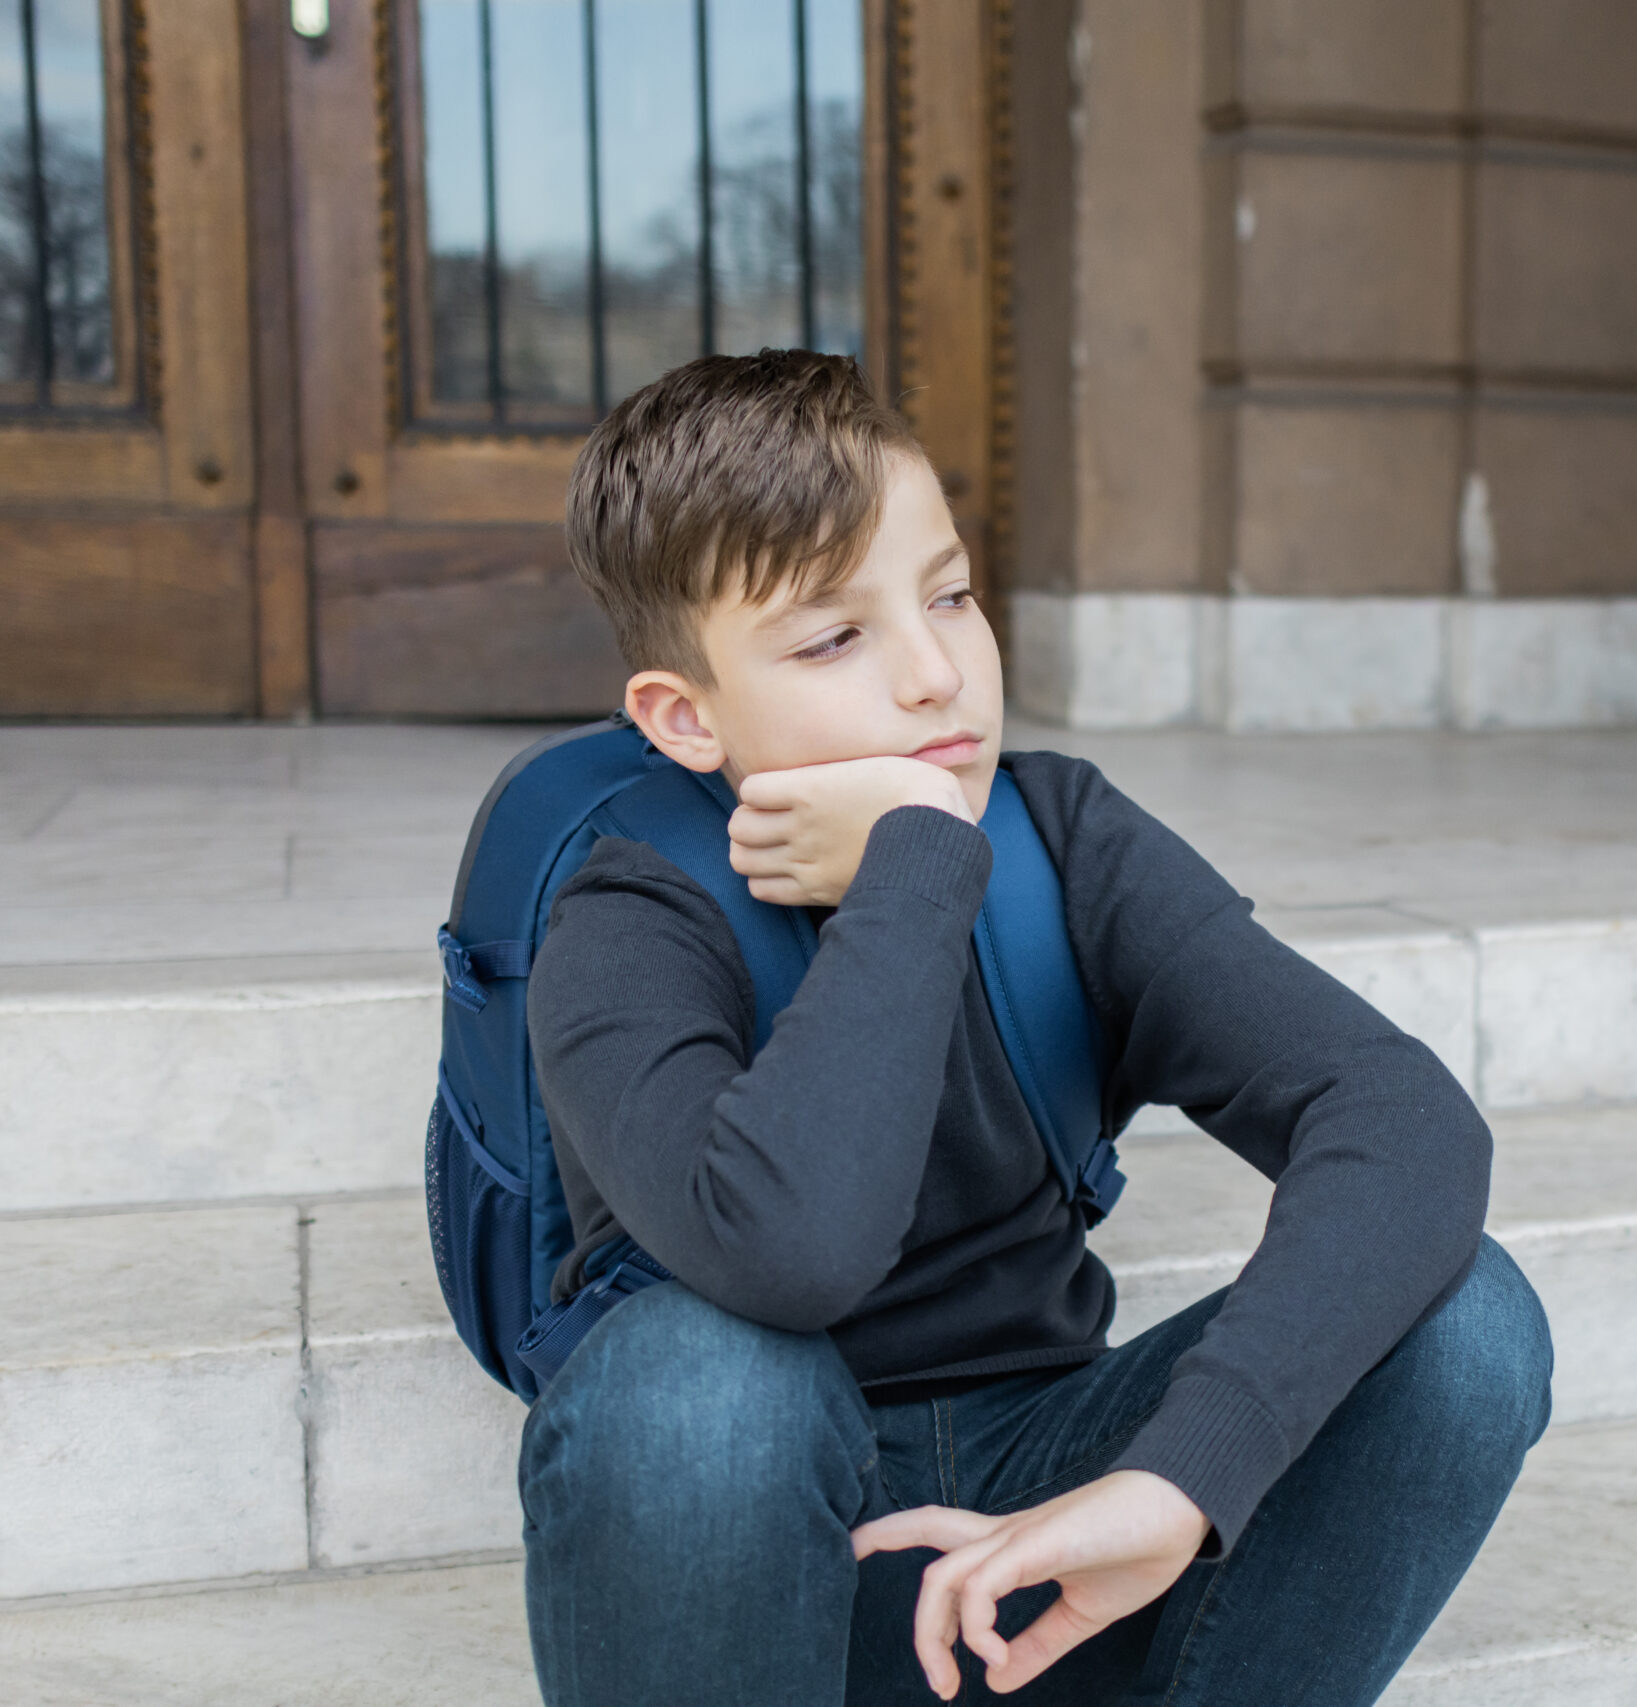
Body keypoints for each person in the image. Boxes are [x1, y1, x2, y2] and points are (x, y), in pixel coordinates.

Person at [517, 347, 1552, 1706]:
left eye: (949, 594)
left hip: (1057, 1538)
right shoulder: (626, 921)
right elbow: (796, 1251)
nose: (937, 674)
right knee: (695, 1393)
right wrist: (918, 864)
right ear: (686, 717)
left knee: (1467, 1319)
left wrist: (1180, 1476)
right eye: (834, 637)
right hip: (768, 1569)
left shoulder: (1064, 840)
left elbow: (1401, 1120)